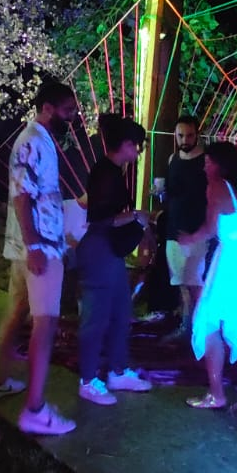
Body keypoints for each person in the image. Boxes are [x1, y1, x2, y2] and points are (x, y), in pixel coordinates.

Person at [0, 82, 78, 436]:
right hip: (40, 249)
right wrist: (36, 245)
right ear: (47, 108)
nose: (72, 117)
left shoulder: (40, 140)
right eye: (67, 111)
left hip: (32, 246)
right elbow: (22, 196)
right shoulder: (33, 141)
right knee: (45, 322)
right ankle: (35, 410)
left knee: (17, 312)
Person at [178, 141, 237, 409]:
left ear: (220, 164)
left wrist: (188, 238)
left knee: (208, 321)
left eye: (208, 162)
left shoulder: (218, 187)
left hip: (231, 261)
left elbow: (209, 229)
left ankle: (217, 394)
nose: (204, 167)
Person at [74, 114, 153, 405]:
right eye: (138, 146)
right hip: (100, 251)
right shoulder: (105, 173)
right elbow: (100, 219)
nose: (139, 152)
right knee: (95, 318)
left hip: (111, 252)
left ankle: (117, 370)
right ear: (127, 144)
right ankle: (88, 379)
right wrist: (136, 216)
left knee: (121, 311)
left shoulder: (112, 171)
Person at [161, 115, 208, 337]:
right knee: (180, 282)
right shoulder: (173, 159)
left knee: (195, 283)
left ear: (197, 135)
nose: (185, 140)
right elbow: (171, 193)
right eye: (180, 136)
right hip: (174, 229)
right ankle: (185, 326)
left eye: (189, 135)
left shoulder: (206, 162)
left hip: (197, 231)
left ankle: (198, 330)